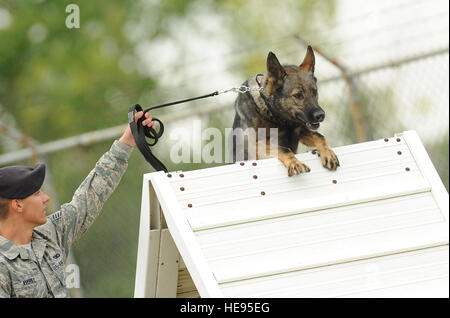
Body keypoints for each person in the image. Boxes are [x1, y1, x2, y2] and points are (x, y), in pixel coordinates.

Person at [0, 111, 155, 298]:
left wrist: (128, 139)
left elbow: (89, 196)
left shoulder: (49, 233)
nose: (45, 198)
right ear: (17, 205)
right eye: (36, 193)